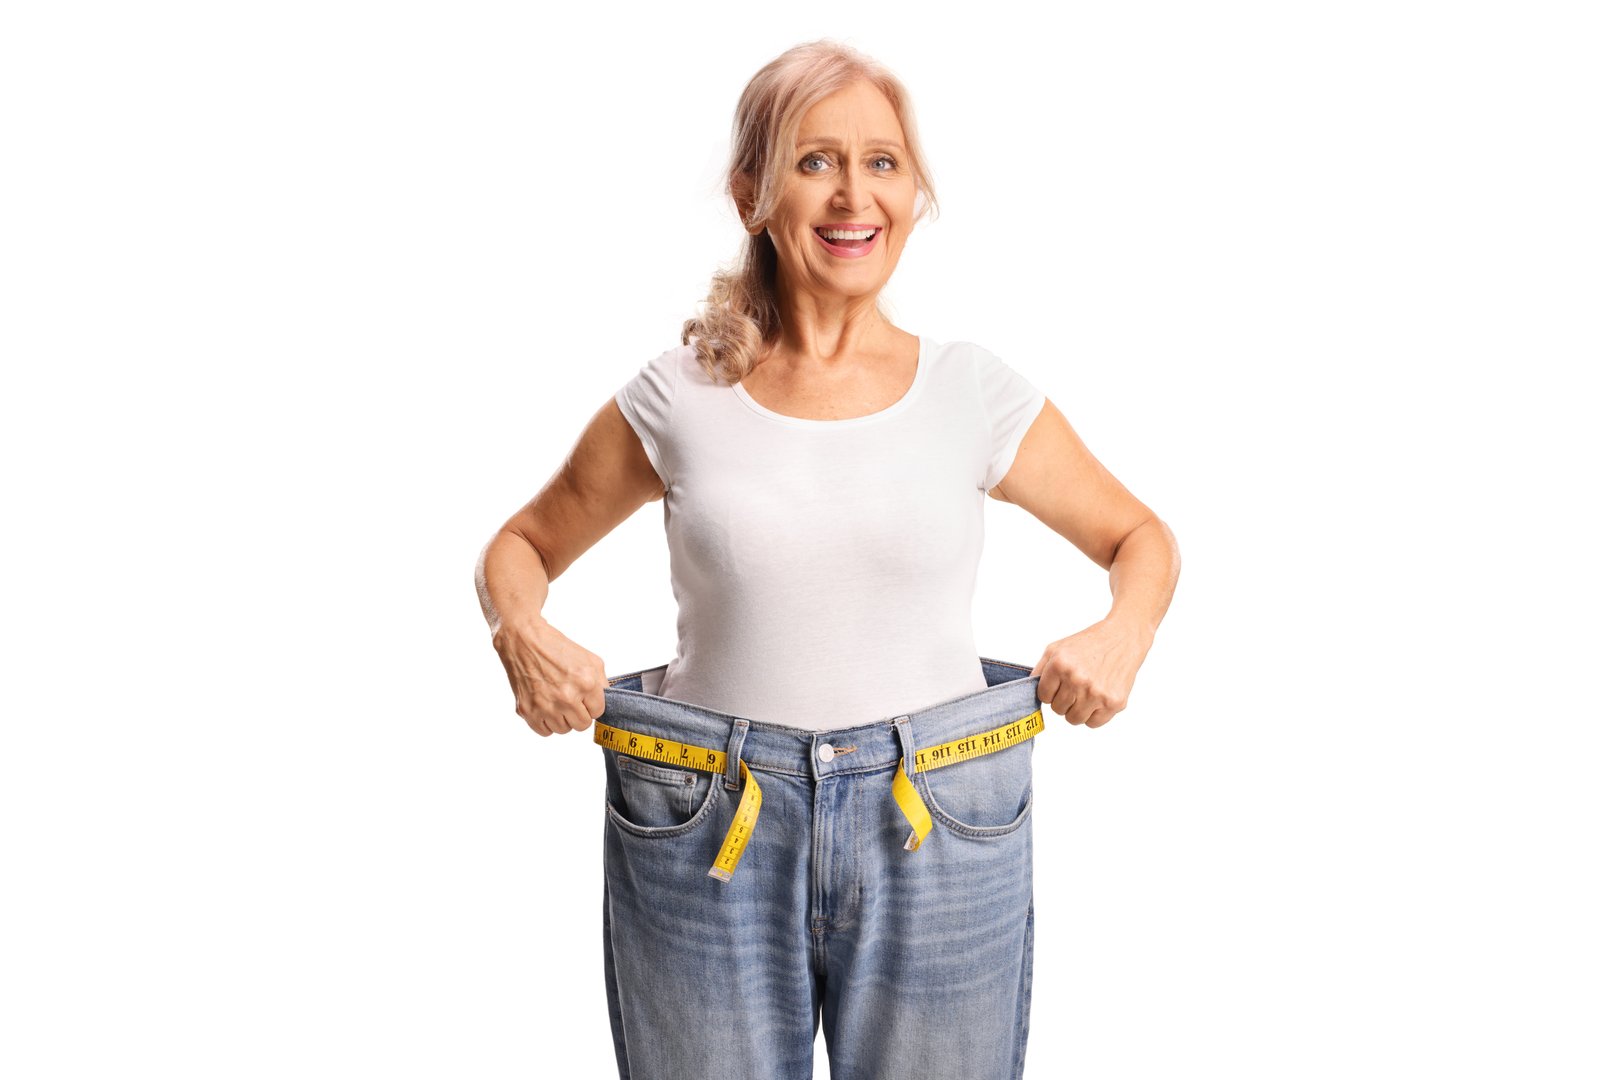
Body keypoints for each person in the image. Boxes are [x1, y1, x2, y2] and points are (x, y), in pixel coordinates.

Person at [475, 38, 1180, 1080]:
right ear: (752, 190)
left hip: (936, 818)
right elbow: (522, 547)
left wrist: (1124, 630)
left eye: (883, 163)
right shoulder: (677, 397)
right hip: (708, 818)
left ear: (913, 190)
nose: (855, 195)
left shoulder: (972, 393)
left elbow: (1142, 540)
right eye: (815, 162)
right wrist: (520, 629)